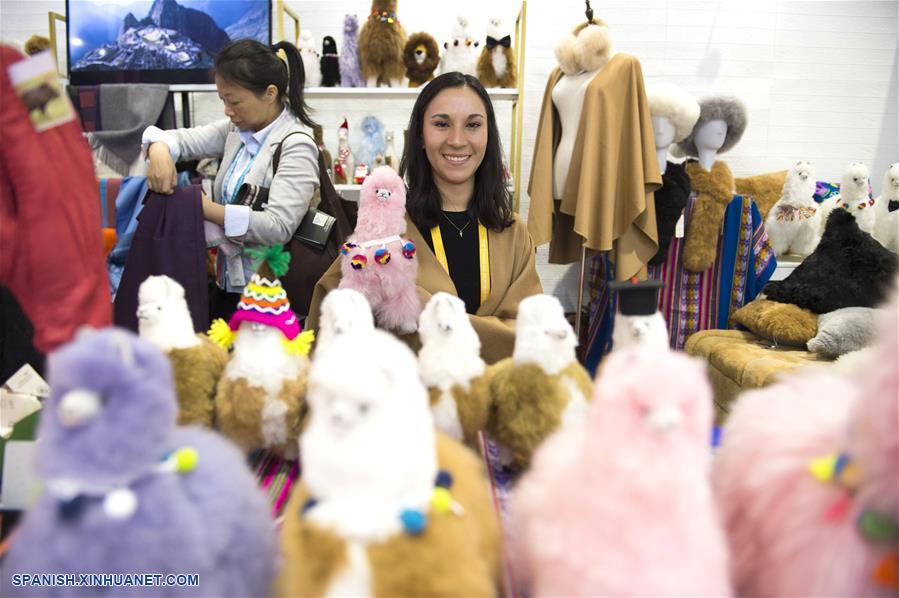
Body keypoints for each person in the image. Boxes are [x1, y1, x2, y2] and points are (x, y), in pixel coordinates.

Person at [306, 72, 542, 364]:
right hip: (406, 403)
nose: (457, 140)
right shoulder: (385, 229)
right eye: (441, 124)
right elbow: (330, 316)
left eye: (473, 125)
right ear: (419, 134)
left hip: (493, 401)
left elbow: (532, 334)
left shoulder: (513, 232)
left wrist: (431, 312)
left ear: (488, 135)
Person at [143, 39, 320, 320]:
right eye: (223, 100)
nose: (227, 110)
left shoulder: (296, 145)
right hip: (229, 284)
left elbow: (278, 227)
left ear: (270, 93)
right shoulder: (235, 131)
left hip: (271, 296)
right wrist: (160, 151)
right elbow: (180, 139)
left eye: (234, 101)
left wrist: (202, 208)